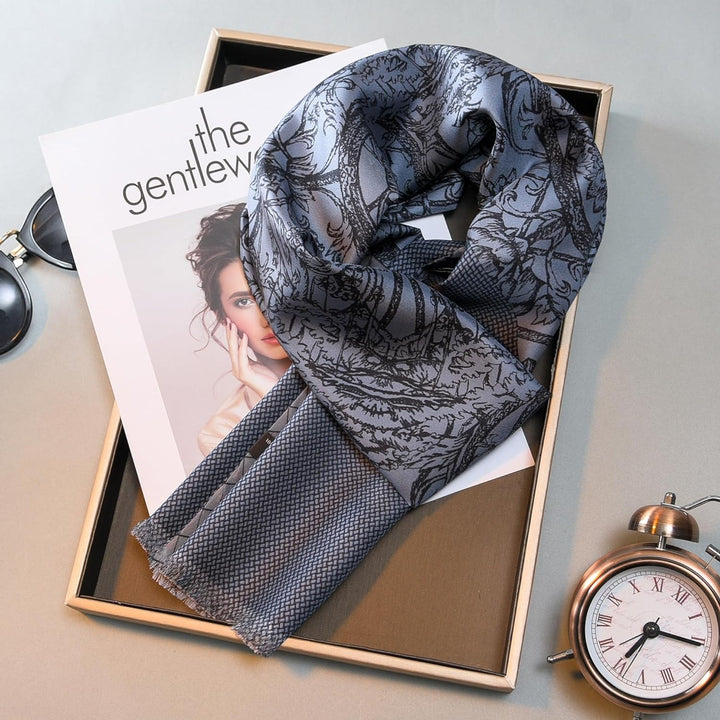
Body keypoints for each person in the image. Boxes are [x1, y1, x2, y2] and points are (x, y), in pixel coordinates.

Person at [187, 203, 292, 455]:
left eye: (271, 291)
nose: (265, 318)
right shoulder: (222, 433)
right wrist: (278, 400)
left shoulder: (359, 355)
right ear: (223, 316)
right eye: (244, 302)